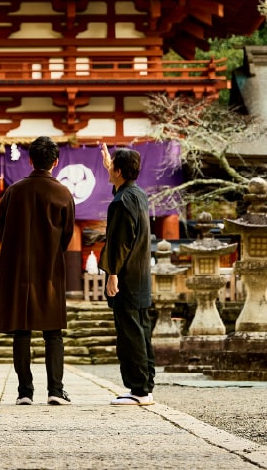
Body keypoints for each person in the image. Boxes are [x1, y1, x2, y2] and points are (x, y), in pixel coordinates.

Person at [0, 136, 75, 406]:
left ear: (29, 160)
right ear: (55, 162)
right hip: (50, 268)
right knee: (53, 332)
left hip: (18, 269)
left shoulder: (13, 191)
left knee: (22, 331)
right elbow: (67, 234)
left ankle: (24, 392)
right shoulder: (63, 193)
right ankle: (55, 389)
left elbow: (1, 230)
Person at [100, 143, 156, 406]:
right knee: (142, 331)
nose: (109, 170)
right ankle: (144, 387)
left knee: (131, 334)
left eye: (112, 168)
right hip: (142, 276)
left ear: (120, 171)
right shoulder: (139, 195)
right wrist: (110, 167)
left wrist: (112, 273)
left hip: (127, 277)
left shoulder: (121, 202)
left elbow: (119, 241)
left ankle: (139, 390)